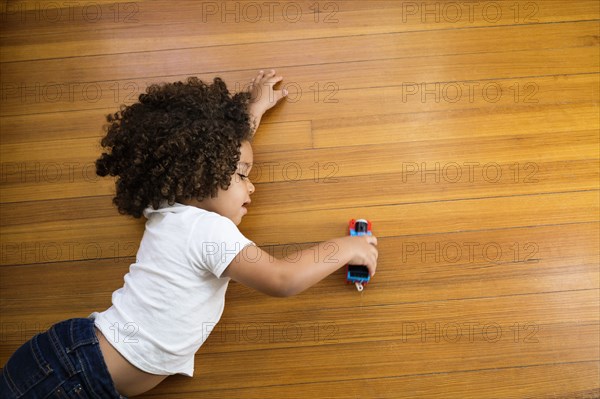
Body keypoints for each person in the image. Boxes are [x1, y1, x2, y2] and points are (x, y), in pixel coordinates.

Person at [0, 70, 379, 398]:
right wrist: (345, 247)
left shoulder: (170, 209)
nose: (251, 188)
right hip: (74, 374)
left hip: (75, 369)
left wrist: (252, 111)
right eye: (243, 174)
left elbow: (213, 153)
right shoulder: (205, 228)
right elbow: (281, 279)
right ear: (201, 177)